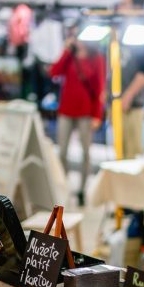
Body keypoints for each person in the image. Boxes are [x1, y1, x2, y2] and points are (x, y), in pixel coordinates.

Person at [49, 36, 106, 205]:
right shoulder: (70, 57)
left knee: (86, 152)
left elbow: (99, 87)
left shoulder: (97, 59)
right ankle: (62, 186)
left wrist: (97, 114)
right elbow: (54, 72)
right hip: (66, 109)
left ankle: (82, 189)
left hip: (85, 112)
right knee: (62, 151)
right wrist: (66, 51)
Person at [118, 0, 144, 159]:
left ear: (137, 6)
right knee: (120, 151)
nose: (121, 7)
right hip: (117, 101)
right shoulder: (122, 29)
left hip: (133, 104)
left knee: (132, 152)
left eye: (125, 3)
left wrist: (128, 95)